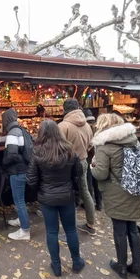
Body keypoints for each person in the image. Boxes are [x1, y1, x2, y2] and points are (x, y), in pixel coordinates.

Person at [91, 113, 140, 279]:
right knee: (133, 229)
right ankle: (138, 266)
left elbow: (100, 174)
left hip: (116, 193)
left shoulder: (104, 147)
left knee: (119, 229)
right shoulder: (133, 140)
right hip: (135, 189)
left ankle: (121, 266)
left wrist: (92, 166)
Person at [26, 120, 84, 277]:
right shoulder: (69, 150)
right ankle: (76, 262)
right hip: (67, 196)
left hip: (47, 198)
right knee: (71, 229)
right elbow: (78, 173)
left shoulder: (37, 152)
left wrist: (41, 190)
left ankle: (56, 266)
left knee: (51, 231)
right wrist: (73, 188)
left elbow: (31, 179)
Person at [58, 98, 96, 235]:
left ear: (65, 109)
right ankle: (91, 224)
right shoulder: (86, 125)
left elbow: (58, 148)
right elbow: (92, 143)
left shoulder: (63, 126)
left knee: (67, 194)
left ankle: (69, 229)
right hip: (83, 160)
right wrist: (83, 150)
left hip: (67, 163)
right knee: (84, 191)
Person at [1, 108, 30, 241]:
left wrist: (4, 163)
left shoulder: (12, 133)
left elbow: (12, 154)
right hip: (24, 169)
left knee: (19, 200)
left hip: (17, 171)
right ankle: (21, 220)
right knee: (20, 199)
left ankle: (25, 231)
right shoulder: (21, 130)